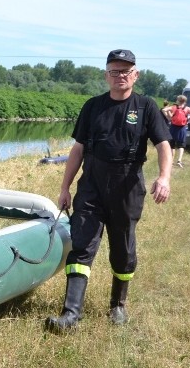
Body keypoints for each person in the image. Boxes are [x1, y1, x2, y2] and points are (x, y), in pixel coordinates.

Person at [45, 49, 172, 333]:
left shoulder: (146, 107)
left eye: (126, 71)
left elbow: (164, 144)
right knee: (82, 244)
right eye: (114, 71)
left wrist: (164, 177)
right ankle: (70, 314)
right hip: (92, 184)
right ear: (106, 76)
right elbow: (78, 149)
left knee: (122, 246)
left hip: (127, 184)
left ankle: (118, 305)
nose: (120, 76)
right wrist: (65, 187)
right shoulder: (92, 106)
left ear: (136, 75)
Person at [162, 94, 190, 168]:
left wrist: (168, 118)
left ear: (178, 100)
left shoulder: (174, 107)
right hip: (182, 128)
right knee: (181, 145)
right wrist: (188, 119)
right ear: (184, 101)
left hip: (173, 127)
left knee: (172, 145)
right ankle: (179, 160)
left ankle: (171, 161)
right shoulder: (187, 108)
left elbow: (164, 109)